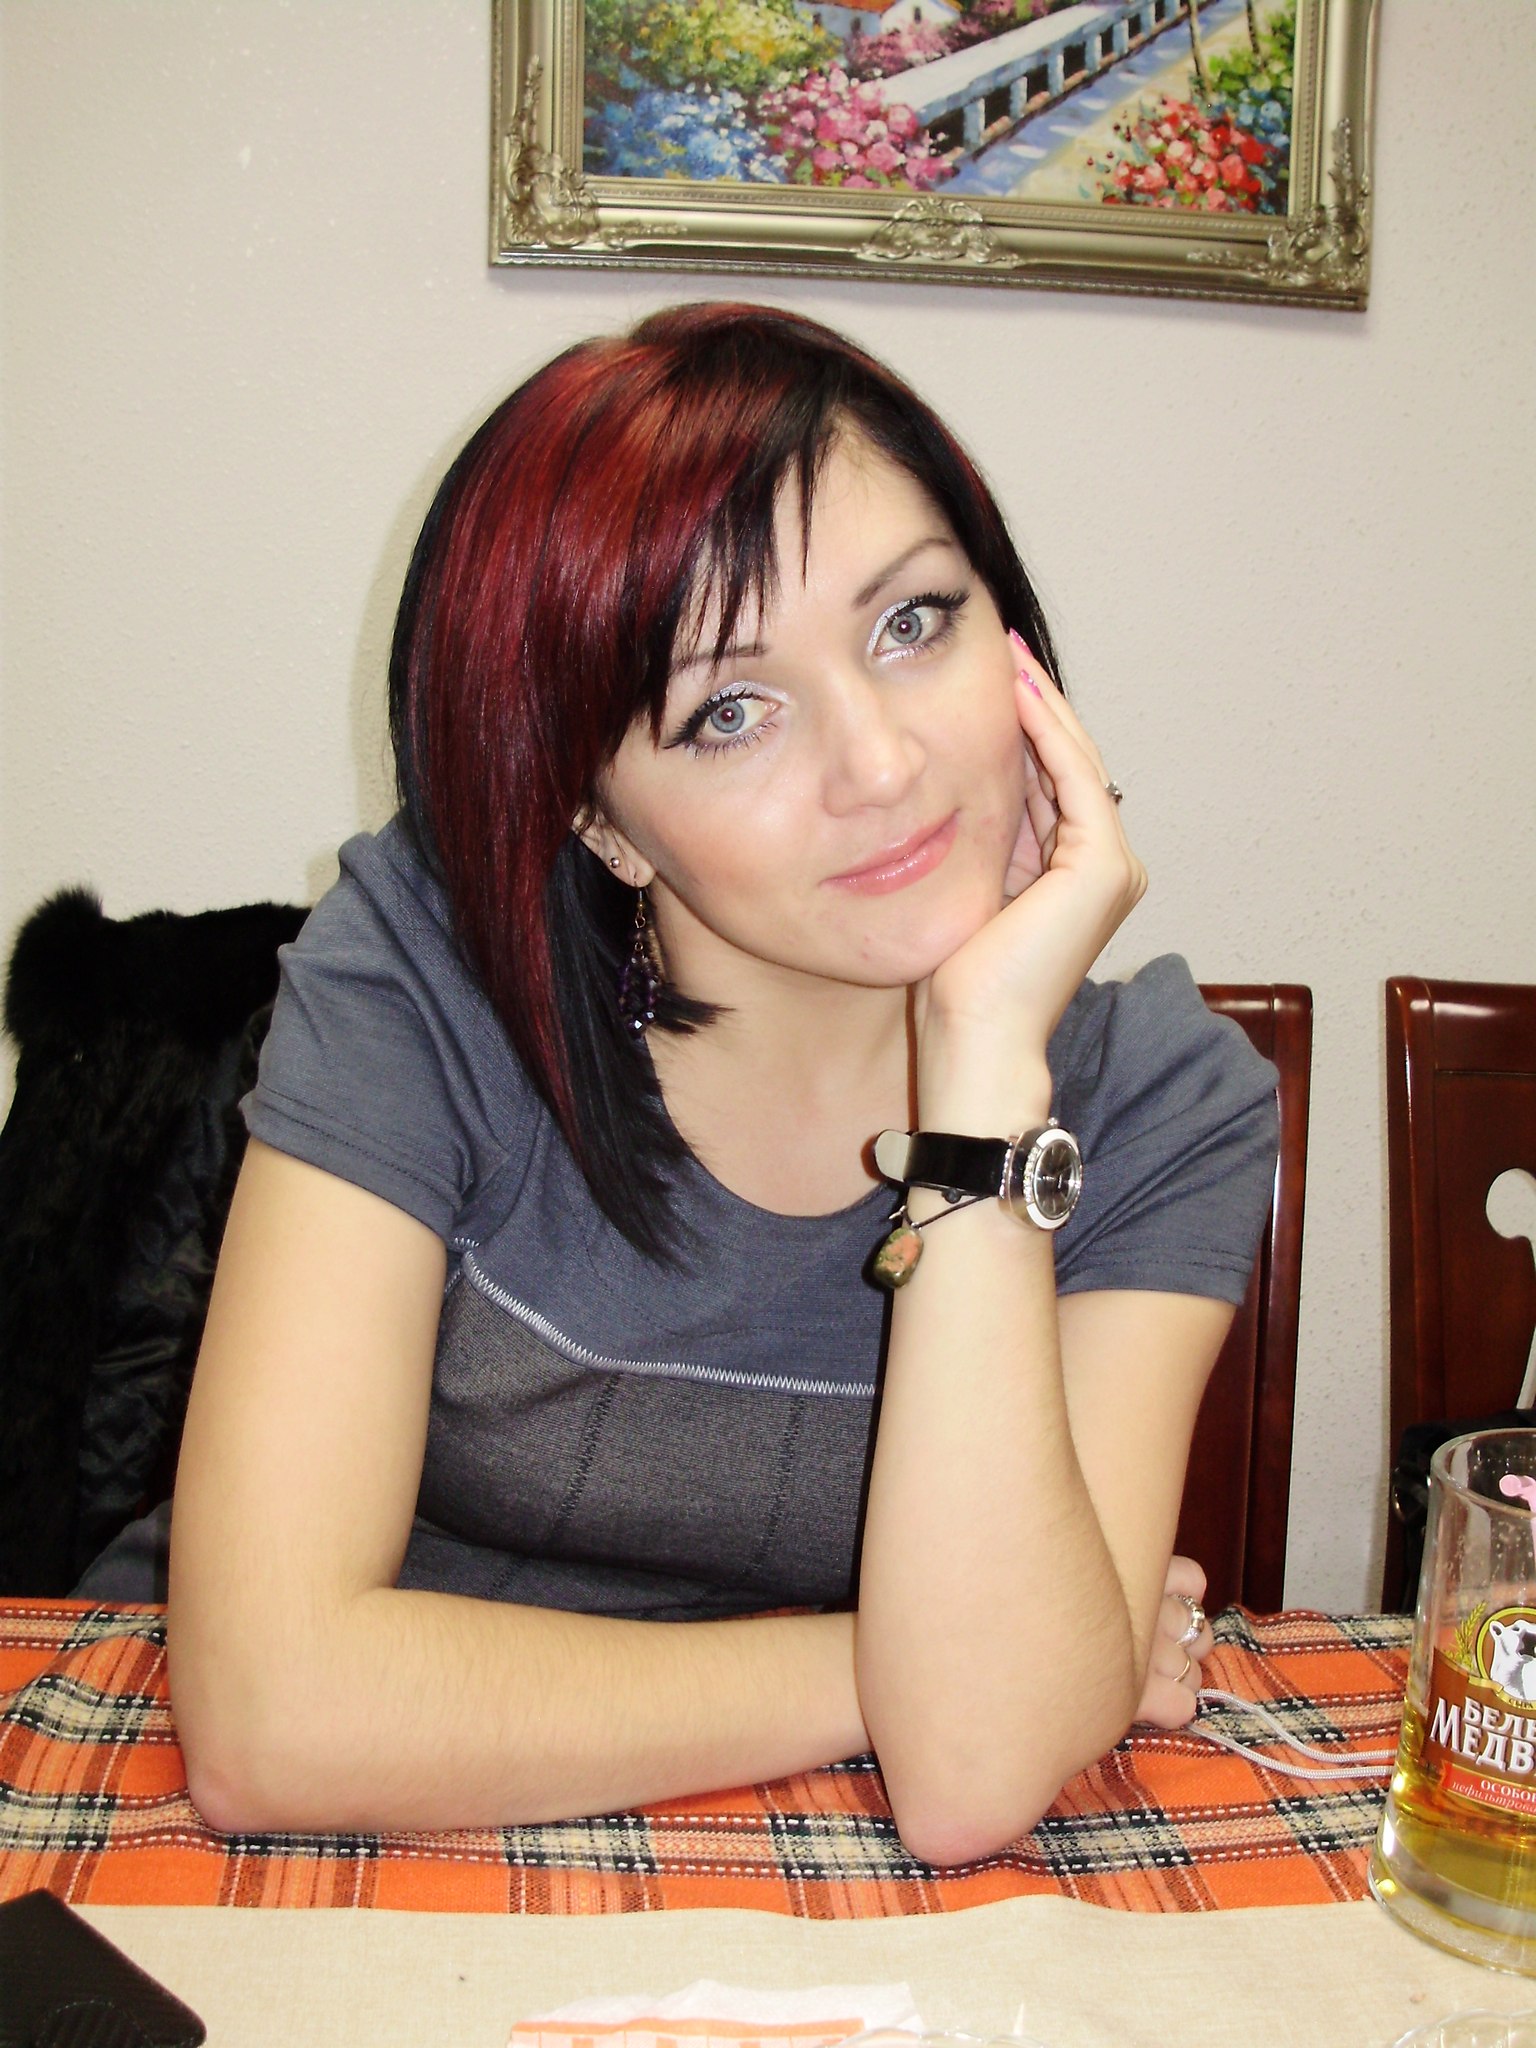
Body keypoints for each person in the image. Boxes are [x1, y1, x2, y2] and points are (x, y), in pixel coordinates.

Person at [165, 302, 1278, 1867]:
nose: (880, 764)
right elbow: (273, 1721)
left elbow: (973, 1778)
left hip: (837, 1883)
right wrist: (899, 1669)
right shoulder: (427, 976)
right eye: (728, 712)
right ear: (601, 823)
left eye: (913, 623)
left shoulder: (1159, 1100)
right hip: (376, 1848)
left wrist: (979, 1088)